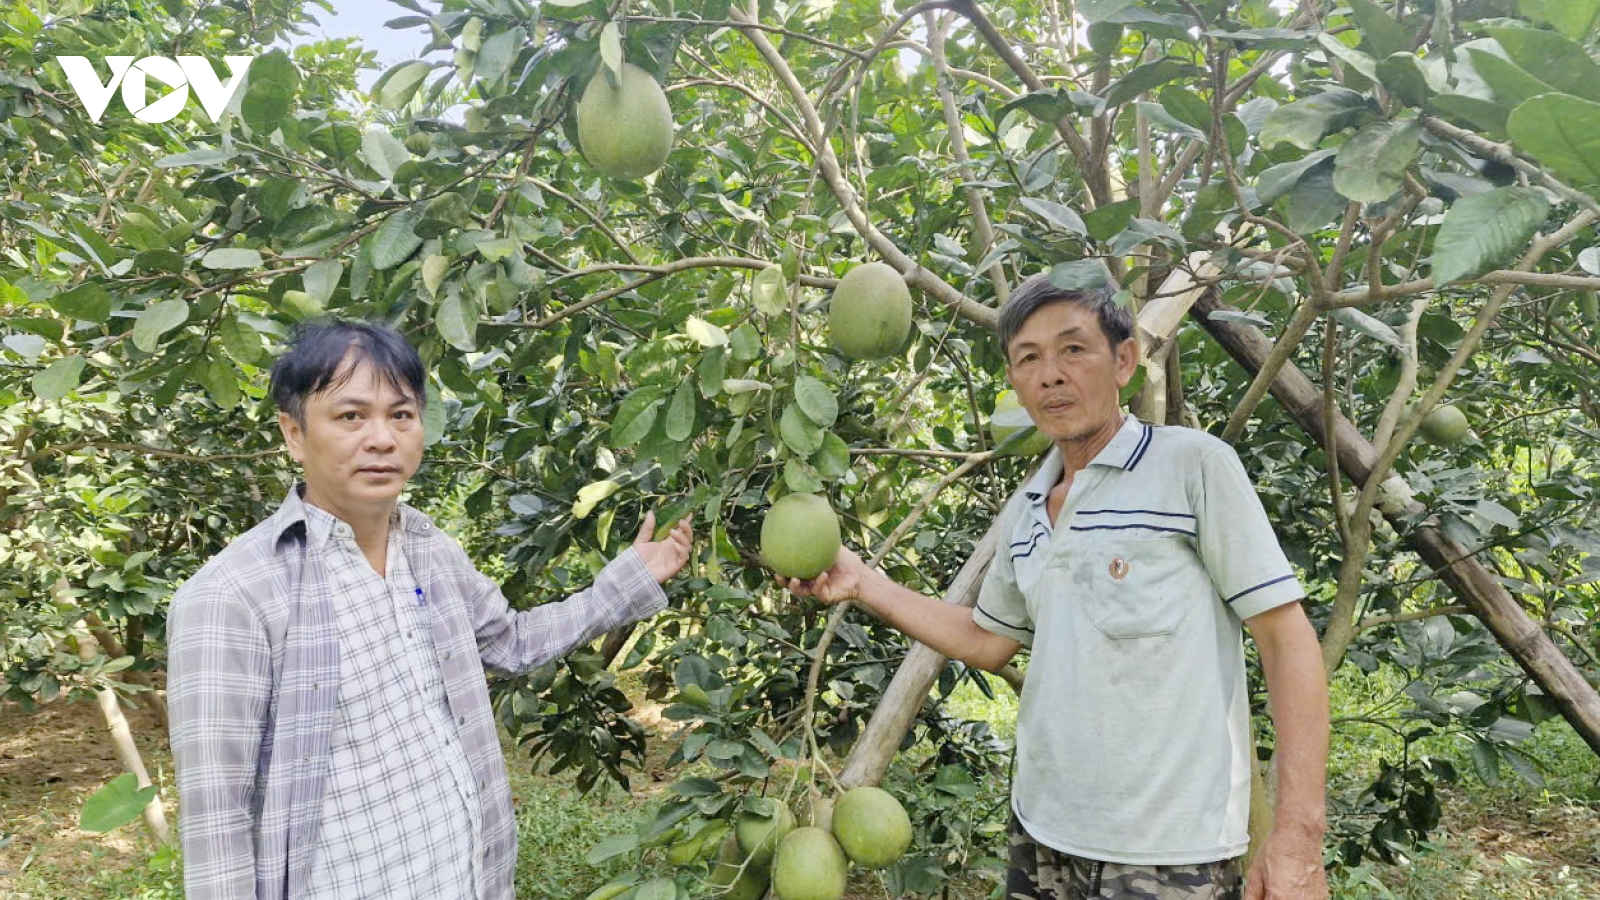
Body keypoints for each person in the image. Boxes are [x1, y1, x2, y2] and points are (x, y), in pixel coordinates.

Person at [779, 274, 1329, 900]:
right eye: (1029, 359)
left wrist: (1297, 836)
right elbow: (987, 640)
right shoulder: (1029, 508)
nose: (1051, 375)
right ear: (1014, 382)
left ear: (1124, 361)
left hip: (1172, 850)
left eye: (1073, 349)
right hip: (1042, 835)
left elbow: (1286, 642)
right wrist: (863, 583)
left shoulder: (1193, 467)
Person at [166, 319, 694, 900]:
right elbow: (218, 824)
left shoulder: (427, 548)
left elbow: (512, 643)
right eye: (350, 416)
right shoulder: (233, 596)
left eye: (401, 414)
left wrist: (632, 578)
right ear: (294, 433)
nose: (382, 438)